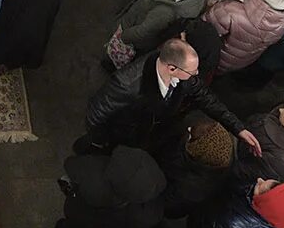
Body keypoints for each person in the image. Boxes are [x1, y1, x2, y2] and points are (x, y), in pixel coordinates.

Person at [79, 36, 259, 156]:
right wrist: (99, 141)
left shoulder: (183, 77)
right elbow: (96, 114)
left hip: (148, 130)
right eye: (192, 70)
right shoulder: (126, 84)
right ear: (172, 68)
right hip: (125, 133)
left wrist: (237, 127)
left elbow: (206, 98)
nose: (196, 74)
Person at [203, 0, 284, 72]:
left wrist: (210, 5)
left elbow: (202, 31)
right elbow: (263, 8)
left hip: (215, 58)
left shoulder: (229, 11)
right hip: (242, 61)